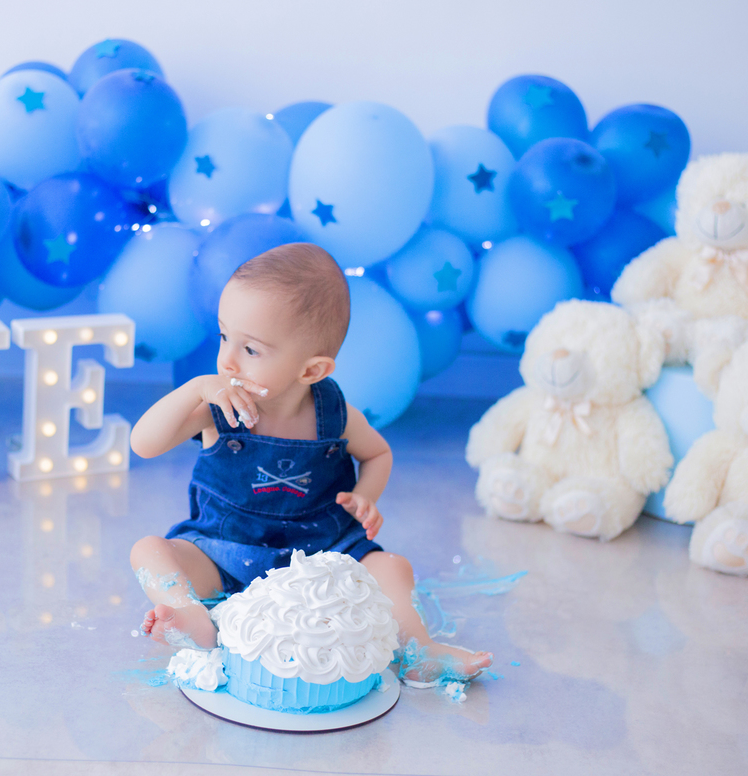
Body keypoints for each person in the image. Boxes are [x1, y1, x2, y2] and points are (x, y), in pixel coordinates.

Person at [129, 242, 492, 683]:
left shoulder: (334, 415)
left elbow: (378, 453)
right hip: (224, 552)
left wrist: (365, 496)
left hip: (324, 560)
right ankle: (192, 619)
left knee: (393, 567)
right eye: (226, 336)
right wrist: (195, 388)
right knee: (148, 550)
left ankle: (417, 650)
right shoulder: (218, 405)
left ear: (311, 372)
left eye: (251, 349)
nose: (226, 359)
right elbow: (144, 443)